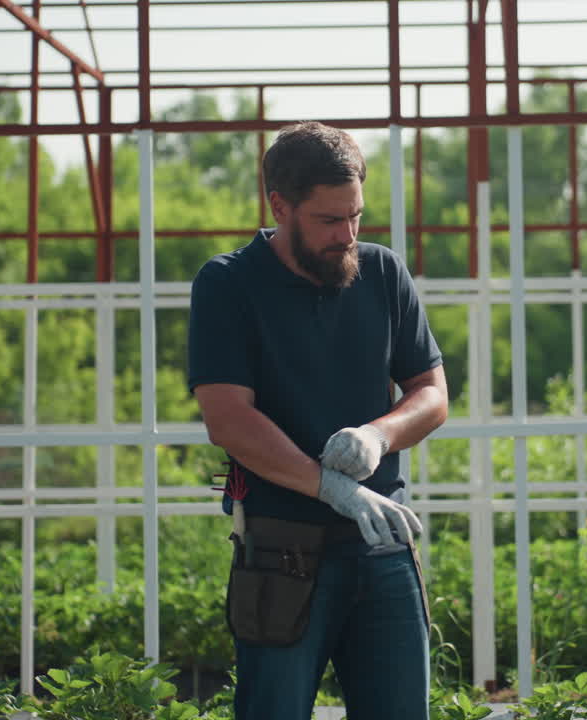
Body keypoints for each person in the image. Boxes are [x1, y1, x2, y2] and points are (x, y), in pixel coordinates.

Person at [188, 121, 448, 720]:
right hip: (281, 554)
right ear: (279, 205)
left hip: (382, 547)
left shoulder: (382, 272)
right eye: (329, 220)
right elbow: (228, 418)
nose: (347, 235)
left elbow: (431, 393)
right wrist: (331, 487)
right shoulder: (229, 284)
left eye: (356, 216)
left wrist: (379, 435)